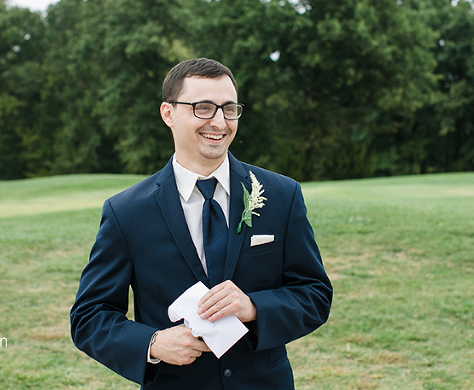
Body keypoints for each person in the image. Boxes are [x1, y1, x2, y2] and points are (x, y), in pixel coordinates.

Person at [70, 58, 332, 389]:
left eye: (229, 108)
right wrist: (152, 343)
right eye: (204, 108)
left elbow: (315, 294)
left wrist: (252, 307)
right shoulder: (126, 212)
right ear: (168, 113)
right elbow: (89, 317)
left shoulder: (282, 195)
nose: (220, 122)